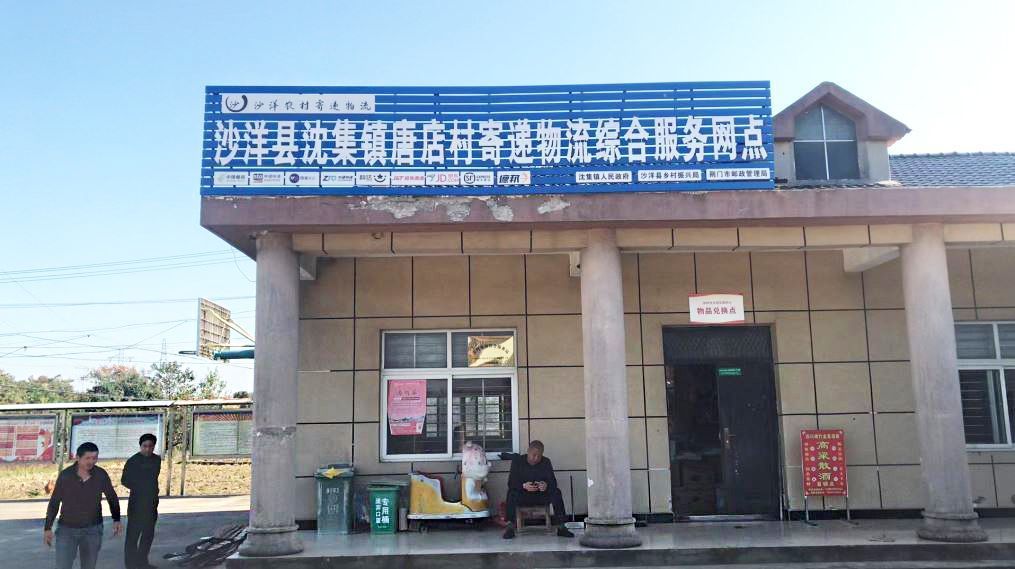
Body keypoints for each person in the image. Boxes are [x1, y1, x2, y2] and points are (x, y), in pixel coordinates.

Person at [44, 442, 123, 569]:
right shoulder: (66, 476)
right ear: (78, 458)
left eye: (94, 458)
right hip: (67, 530)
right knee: (62, 565)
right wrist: (48, 527)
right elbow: (54, 502)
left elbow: (112, 497)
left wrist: (116, 519)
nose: (91, 461)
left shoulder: (101, 475)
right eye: (87, 458)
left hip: (93, 529)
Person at [502, 440, 574, 539]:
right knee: (511, 493)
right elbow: (511, 483)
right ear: (528, 452)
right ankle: (510, 527)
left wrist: (546, 485)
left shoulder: (546, 462)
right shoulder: (517, 461)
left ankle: (561, 527)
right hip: (523, 496)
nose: (536, 458)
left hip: (540, 496)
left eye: (539, 456)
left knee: (556, 492)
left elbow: (553, 483)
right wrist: (523, 486)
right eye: (534, 455)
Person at [122, 433, 162, 569]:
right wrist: (140, 486)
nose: (147, 449)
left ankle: (142, 562)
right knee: (133, 536)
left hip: (151, 503)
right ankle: (131, 564)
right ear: (140, 446)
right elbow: (124, 480)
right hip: (137, 503)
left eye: (150, 446)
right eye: (145, 446)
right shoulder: (133, 461)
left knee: (148, 535)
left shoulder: (156, 460)